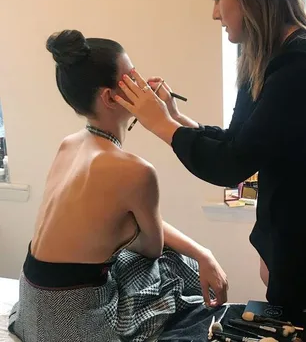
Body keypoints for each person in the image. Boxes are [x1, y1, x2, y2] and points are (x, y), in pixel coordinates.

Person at [115, 0, 306, 312]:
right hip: (287, 230)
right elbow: (241, 141)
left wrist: (162, 125)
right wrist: (173, 115)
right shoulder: (267, 59)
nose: (215, 12)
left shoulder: (304, 65)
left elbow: (232, 163)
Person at [8, 30, 229, 342]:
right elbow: (153, 248)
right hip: (72, 321)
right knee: (175, 266)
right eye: (131, 78)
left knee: (154, 254)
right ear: (111, 98)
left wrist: (197, 250)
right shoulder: (135, 171)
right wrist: (197, 254)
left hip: (32, 303)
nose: (143, 84)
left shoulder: (68, 145)